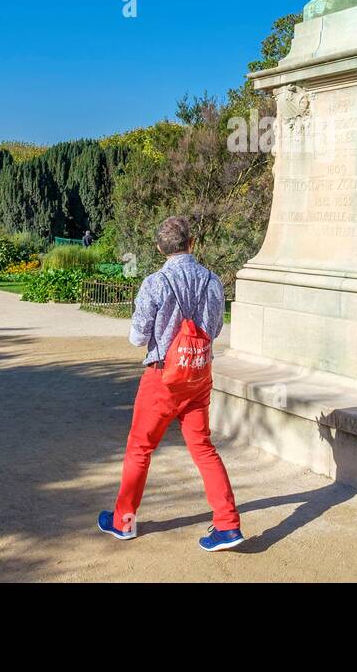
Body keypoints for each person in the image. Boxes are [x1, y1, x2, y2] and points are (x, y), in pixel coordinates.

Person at [98, 215, 243, 551]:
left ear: (159, 248)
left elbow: (137, 338)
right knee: (203, 447)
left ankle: (124, 522)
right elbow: (216, 328)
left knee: (140, 448)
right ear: (192, 243)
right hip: (198, 374)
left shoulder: (154, 283)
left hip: (163, 377)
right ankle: (228, 524)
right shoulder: (212, 281)